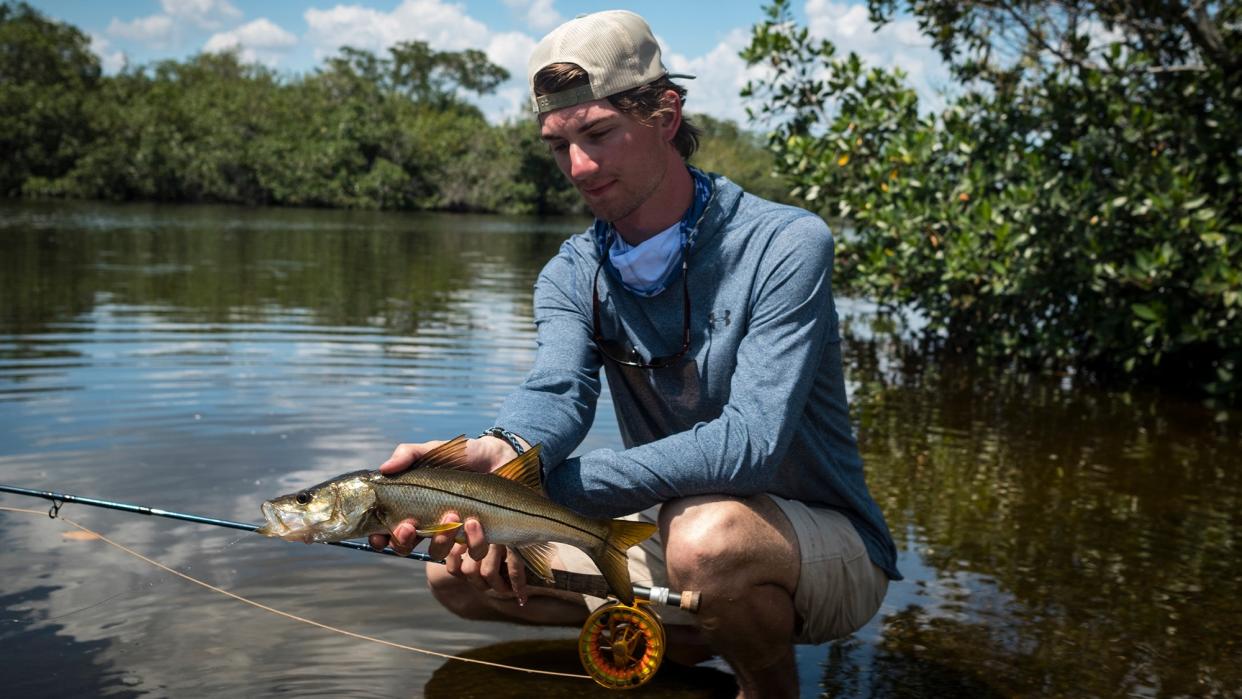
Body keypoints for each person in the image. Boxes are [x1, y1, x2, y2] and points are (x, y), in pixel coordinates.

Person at [369, 10, 900, 697]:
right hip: (676, 522)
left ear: (666, 116)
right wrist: (495, 458)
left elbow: (750, 446)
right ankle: (685, 657)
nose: (579, 168)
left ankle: (768, 688)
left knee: (705, 541)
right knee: (455, 568)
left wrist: (528, 495)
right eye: (558, 146)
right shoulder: (571, 272)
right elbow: (556, 394)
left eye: (598, 135)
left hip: (824, 542)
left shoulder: (786, 245)